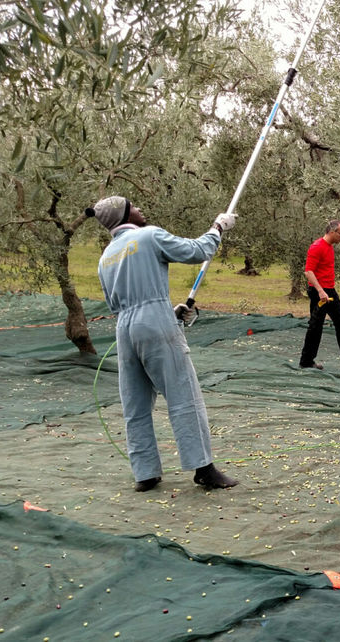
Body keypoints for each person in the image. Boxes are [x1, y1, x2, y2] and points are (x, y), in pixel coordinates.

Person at [87, 196, 239, 492]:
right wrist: (218, 227)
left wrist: (168, 314)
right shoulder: (148, 235)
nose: (141, 208)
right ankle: (204, 468)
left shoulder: (105, 258)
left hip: (125, 328)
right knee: (183, 394)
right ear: (124, 213)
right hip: (153, 319)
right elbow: (197, 251)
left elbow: (117, 302)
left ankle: (145, 473)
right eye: (134, 205)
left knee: (135, 402)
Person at [299, 220, 340, 371]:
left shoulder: (329, 247)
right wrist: (320, 291)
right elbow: (308, 271)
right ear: (332, 232)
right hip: (319, 293)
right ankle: (306, 361)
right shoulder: (317, 247)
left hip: (330, 291)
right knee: (315, 326)